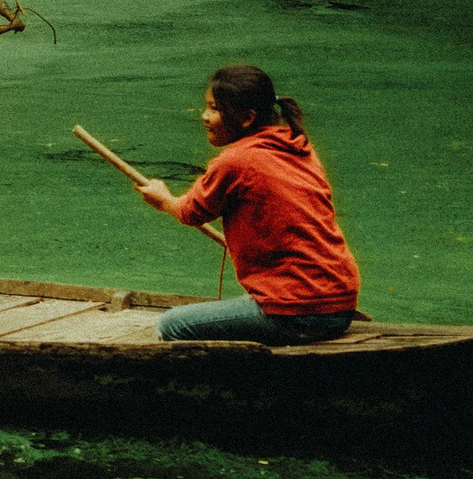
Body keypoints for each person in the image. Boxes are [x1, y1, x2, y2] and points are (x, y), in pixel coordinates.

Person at [134, 64, 359, 344]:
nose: (204, 117)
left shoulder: (236, 160)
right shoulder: (297, 145)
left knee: (172, 325)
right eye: (206, 107)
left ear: (246, 118)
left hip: (297, 311)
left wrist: (163, 198)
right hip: (340, 303)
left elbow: (190, 212)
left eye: (214, 109)